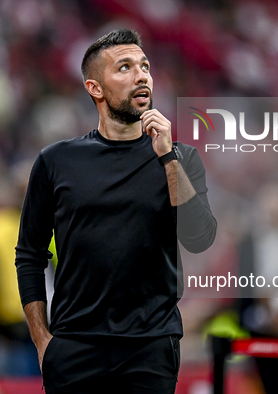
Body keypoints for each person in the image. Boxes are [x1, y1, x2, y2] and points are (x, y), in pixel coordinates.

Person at [15, 29, 217, 394]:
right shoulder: (55, 161)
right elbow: (29, 255)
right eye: (124, 67)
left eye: (145, 66)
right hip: (74, 346)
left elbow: (200, 238)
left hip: (151, 347)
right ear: (95, 88)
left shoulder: (181, 157)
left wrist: (168, 158)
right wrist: (44, 341)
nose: (141, 76)